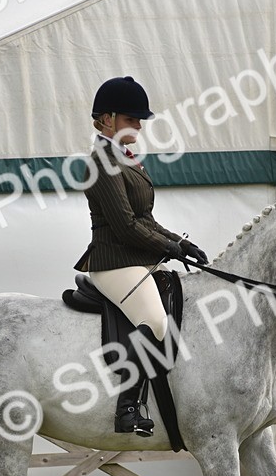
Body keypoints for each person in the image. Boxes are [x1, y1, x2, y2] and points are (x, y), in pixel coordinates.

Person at [73, 76, 208, 436]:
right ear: (107, 119)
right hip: (113, 263)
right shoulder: (102, 162)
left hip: (135, 259)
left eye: (139, 119)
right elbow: (126, 226)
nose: (139, 125)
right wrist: (169, 248)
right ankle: (127, 406)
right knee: (156, 321)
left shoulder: (127, 159)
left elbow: (145, 219)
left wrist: (181, 243)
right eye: (132, 118)